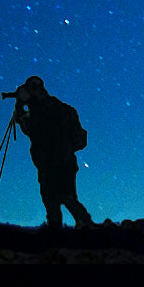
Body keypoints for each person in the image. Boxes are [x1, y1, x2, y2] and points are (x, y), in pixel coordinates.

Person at [13, 76, 92, 229]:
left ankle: (80, 225)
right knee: (55, 197)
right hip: (62, 160)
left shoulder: (45, 110)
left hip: (53, 160)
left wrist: (21, 109)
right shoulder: (59, 108)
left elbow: (32, 130)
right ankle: (67, 229)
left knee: (60, 196)